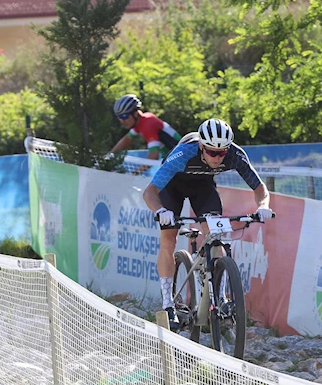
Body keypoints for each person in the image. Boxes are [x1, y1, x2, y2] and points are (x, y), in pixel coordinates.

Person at [142, 118, 273, 329]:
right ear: (201, 146)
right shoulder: (183, 154)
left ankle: (219, 295)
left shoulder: (234, 154)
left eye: (221, 153)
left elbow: (259, 189)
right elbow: (150, 192)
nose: (217, 157)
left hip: (202, 188)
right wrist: (161, 211)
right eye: (212, 152)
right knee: (168, 238)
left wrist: (263, 206)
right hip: (172, 187)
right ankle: (168, 304)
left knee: (214, 235)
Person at [109, 94, 181, 161]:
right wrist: (109, 156)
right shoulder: (141, 121)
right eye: (119, 117)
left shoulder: (147, 125)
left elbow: (154, 156)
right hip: (172, 159)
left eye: (124, 116)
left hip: (180, 160)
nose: (122, 120)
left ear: (135, 113)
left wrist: (136, 173)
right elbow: (126, 140)